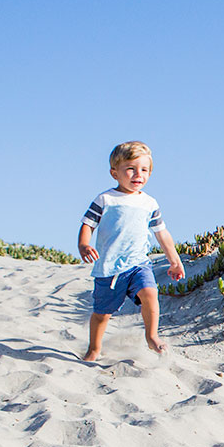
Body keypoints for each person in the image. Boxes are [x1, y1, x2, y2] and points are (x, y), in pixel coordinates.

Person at [78, 141, 185, 361]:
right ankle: (94, 349)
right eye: (131, 169)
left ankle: (151, 336)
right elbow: (88, 224)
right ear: (114, 173)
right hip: (108, 268)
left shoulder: (149, 203)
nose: (138, 174)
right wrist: (84, 244)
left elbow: (162, 234)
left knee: (150, 294)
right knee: (102, 314)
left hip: (138, 263)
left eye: (144, 170)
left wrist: (174, 261)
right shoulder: (105, 199)